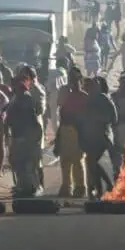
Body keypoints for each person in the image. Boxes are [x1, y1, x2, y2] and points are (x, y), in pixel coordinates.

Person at [5, 75, 44, 197]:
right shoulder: (17, 98)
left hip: (25, 137)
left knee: (28, 164)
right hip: (19, 136)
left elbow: (30, 117)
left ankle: (34, 187)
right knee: (20, 164)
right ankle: (23, 186)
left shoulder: (25, 98)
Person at [79, 76, 117, 199]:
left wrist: (99, 118)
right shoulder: (88, 99)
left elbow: (113, 117)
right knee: (91, 163)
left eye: (93, 85)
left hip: (101, 136)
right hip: (91, 136)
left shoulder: (103, 98)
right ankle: (100, 189)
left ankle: (107, 185)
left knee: (92, 161)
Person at [56, 66, 88, 197]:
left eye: (75, 79)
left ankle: (80, 187)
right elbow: (60, 107)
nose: (73, 81)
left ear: (80, 80)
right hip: (65, 128)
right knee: (65, 160)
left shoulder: (84, 96)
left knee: (77, 160)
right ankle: (66, 186)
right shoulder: (64, 92)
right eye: (71, 79)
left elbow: (86, 115)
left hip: (78, 130)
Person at [19, 65, 47, 189]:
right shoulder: (23, 89)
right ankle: (28, 185)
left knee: (36, 159)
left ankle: (39, 185)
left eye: (24, 76)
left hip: (34, 128)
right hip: (24, 128)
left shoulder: (37, 90)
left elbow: (40, 109)